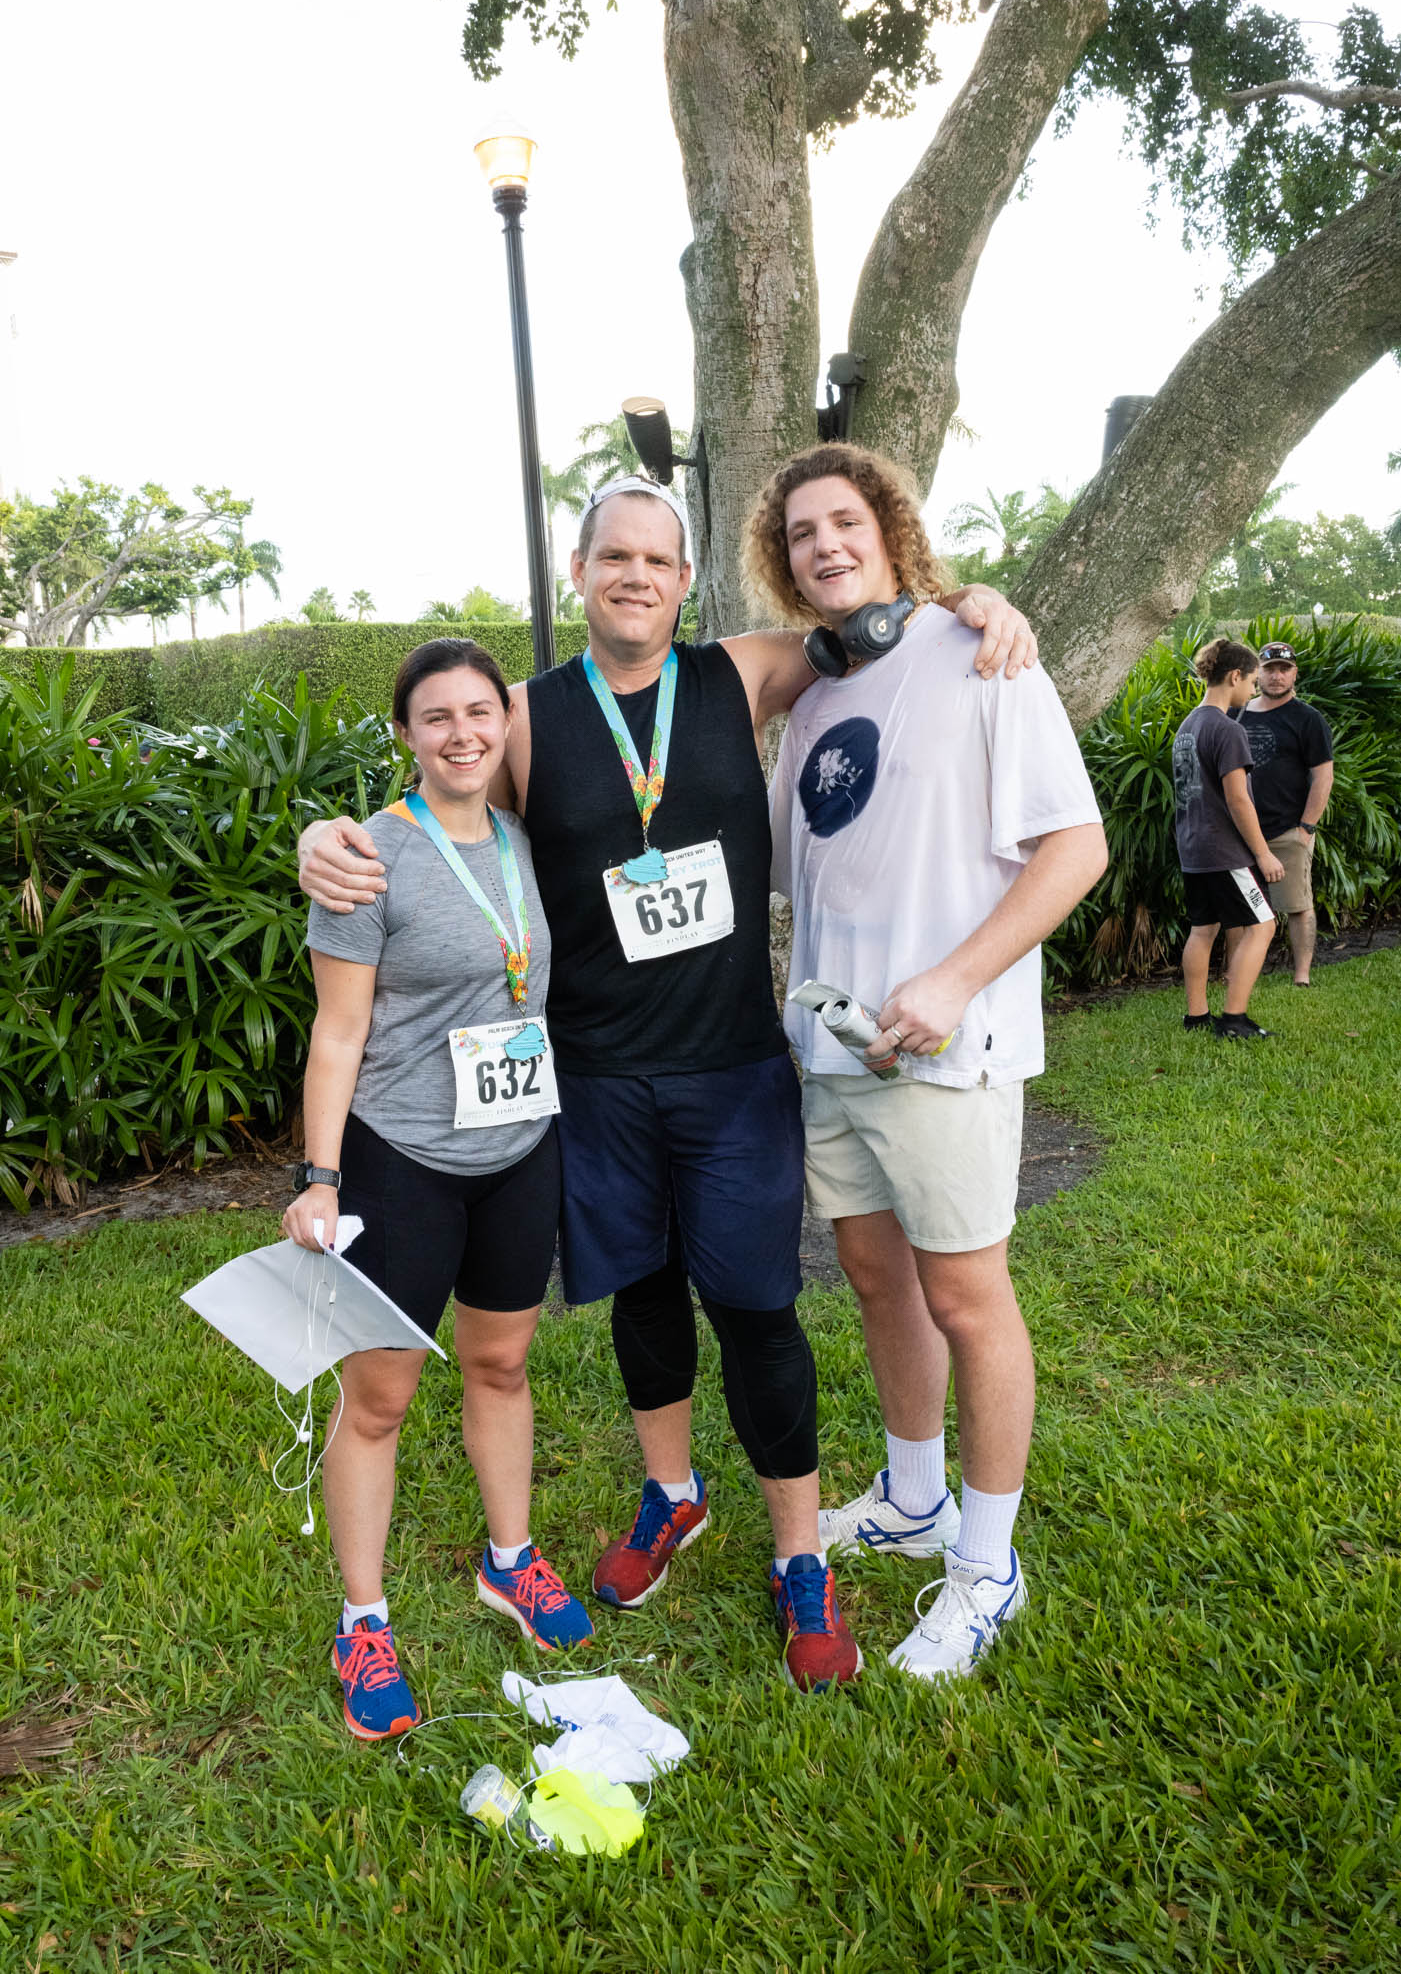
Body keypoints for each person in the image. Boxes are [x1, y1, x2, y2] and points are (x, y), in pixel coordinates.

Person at [298, 477, 1037, 1693]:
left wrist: (979, 598)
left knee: (757, 1309)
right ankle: (672, 1493)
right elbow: (437, 808)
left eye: (658, 559)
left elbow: (876, 620)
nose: (635, 576)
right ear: (578, 572)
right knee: (642, 1298)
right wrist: (328, 841)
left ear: (686, 580)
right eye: (614, 557)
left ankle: (801, 1555)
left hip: (732, 1066)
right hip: (593, 1076)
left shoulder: (742, 673)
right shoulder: (524, 717)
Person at [749, 442, 1107, 1683]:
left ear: (891, 530)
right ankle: (912, 1499)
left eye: (843, 522)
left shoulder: (985, 654)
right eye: (801, 533)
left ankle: (987, 1566)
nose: (824, 546)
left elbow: (1075, 848)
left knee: (966, 1296)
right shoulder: (815, 697)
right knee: (873, 1275)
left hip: (948, 1051)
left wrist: (953, 979)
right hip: (837, 1046)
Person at [284, 637, 592, 1742]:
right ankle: (362, 1622)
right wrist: (321, 1177)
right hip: (402, 1156)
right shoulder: (368, 858)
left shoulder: (521, 838)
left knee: (501, 1364)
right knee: (380, 1401)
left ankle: (511, 1561)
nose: (463, 734)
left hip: (520, 1148)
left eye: (479, 713)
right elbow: (339, 1030)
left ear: (504, 722)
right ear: (405, 734)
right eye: (437, 717)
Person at [1170, 637, 1284, 1039]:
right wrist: (1263, 854)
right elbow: (1238, 799)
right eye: (1252, 681)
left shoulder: (1188, 726)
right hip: (1225, 851)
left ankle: (1196, 1017)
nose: (1253, 690)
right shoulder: (1227, 729)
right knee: (1263, 925)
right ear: (1235, 676)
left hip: (1193, 849)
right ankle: (1234, 1020)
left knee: (1203, 928)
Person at [1234, 639, 1334, 986]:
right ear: (1256, 673)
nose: (1276, 676)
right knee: (1238, 909)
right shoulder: (1236, 714)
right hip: (1239, 831)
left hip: (1287, 829)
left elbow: (1323, 776)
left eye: (1284, 669)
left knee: (1298, 905)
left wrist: (1306, 827)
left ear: (1295, 674)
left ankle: (1301, 975)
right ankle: (1238, 972)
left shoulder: (1308, 719)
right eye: (1269, 669)